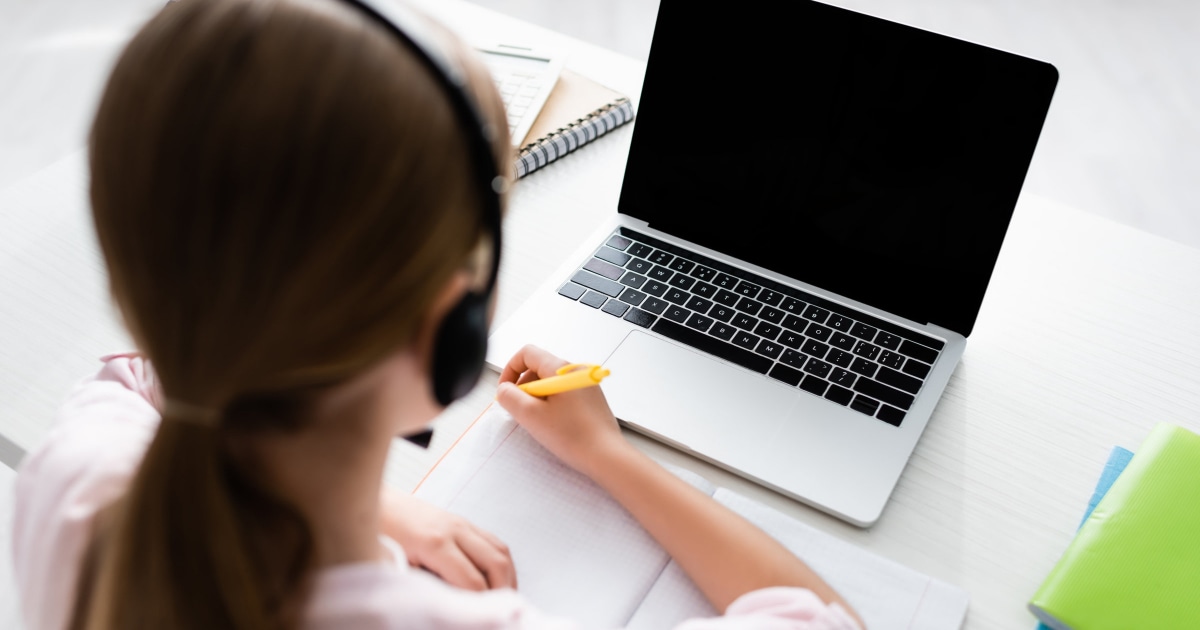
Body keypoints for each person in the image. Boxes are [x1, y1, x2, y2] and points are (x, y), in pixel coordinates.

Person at [11, 0, 864, 628]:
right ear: (452, 334)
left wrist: (376, 508)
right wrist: (608, 455)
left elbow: (142, 381)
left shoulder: (75, 478)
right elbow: (824, 622)